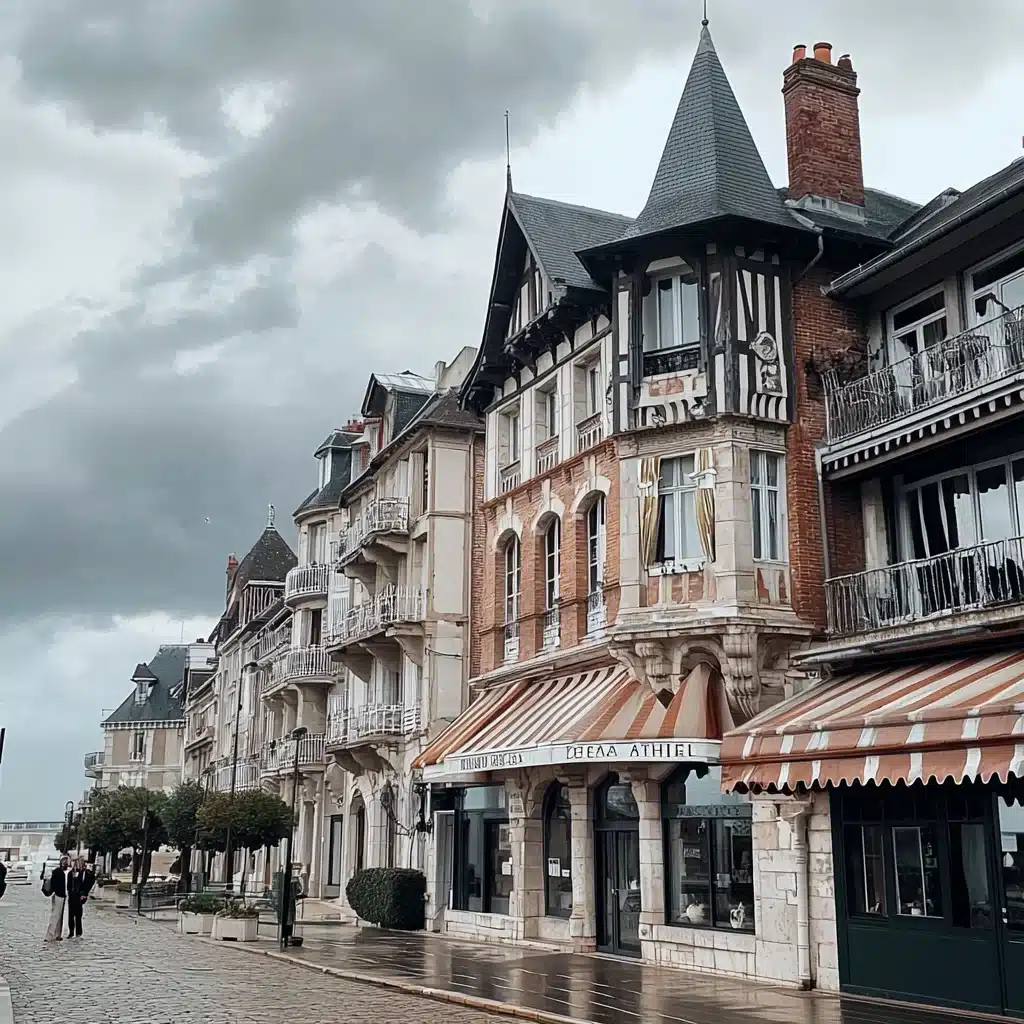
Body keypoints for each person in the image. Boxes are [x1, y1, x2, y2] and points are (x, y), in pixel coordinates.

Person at [66, 857, 94, 937]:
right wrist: (70, 893)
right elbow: (68, 885)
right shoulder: (70, 874)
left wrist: (84, 894)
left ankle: (78, 932)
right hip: (72, 896)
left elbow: (89, 882)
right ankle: (71, 931)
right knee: (70, 915)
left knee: (78, 915)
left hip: (79, 896)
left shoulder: (85, 873)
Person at [43, 855, 69, 942]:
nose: (66, 863)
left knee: (60, 916)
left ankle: (57, 934)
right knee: (55, 915)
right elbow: (54, 884)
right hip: (58, 895)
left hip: (62, 895)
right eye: (65, 862)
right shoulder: (58, 872)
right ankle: (49, 935)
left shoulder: (65, 872)